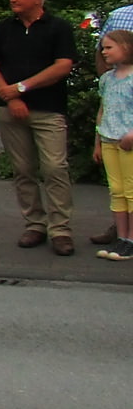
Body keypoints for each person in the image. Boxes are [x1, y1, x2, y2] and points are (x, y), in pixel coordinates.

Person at [0, 0, 79, 255]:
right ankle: (35, 224)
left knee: (54, 169)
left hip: (49, 109)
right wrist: (10, 96)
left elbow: (63, 66)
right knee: (23, 170)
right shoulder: (2, 29)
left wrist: (21, 88)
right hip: (10, 110)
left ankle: (60, 230)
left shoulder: (59, 28)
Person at [93, 29, 133, 260]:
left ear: (126, 47)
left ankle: (131, 240)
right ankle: (121, 237)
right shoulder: (107, 79)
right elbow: (103, 110)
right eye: (103, 48)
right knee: (116, 190)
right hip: (109, 140)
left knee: (131, 191)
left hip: (128, 143)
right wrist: (97, 142)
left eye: (109, 47)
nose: (104, 52)